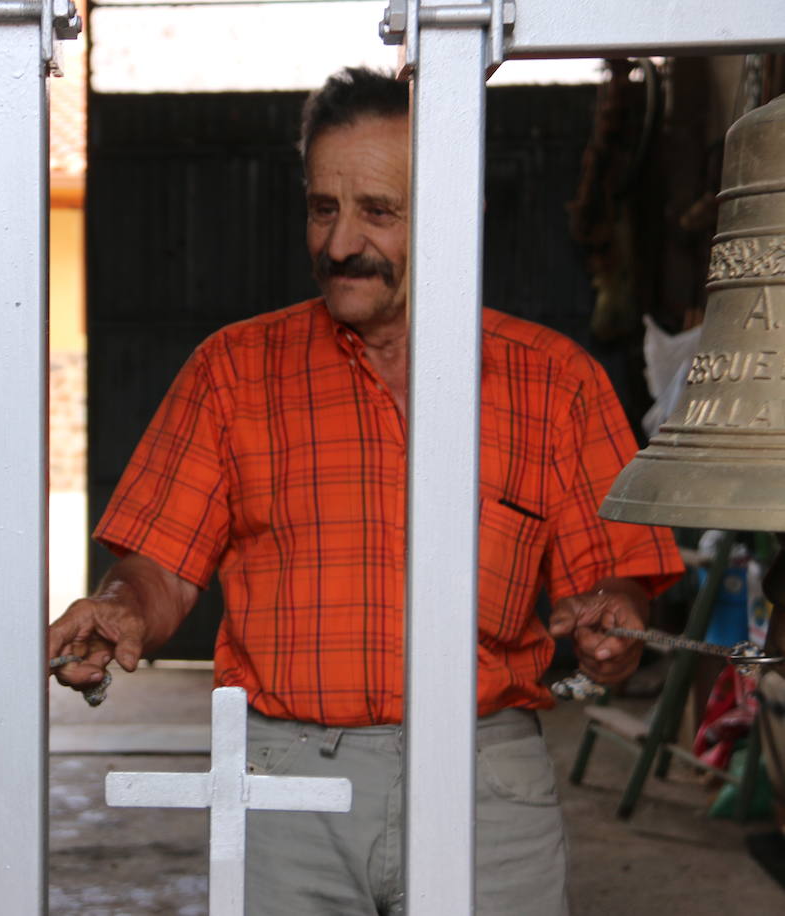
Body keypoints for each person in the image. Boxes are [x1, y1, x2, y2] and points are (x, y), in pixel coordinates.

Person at [48, 67, 684, 915]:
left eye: (377, 211)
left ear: (457, 212)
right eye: (322, 207)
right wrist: (122, 605)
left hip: (486, 782)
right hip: (281, 786)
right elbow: (158, 569)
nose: (340, 241)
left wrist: (615, 627)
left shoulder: (553, 383)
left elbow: (615, 583)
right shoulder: (233, 372)